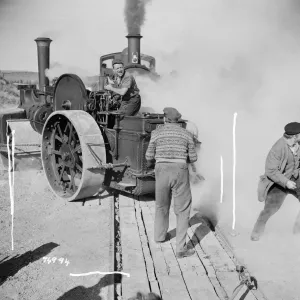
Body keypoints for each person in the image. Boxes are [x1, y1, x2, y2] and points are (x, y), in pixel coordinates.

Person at [145, 107, 198, 258]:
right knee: (182, 210)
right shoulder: (186, 134)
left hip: (161, 170)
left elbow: (148, 155)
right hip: (180, 171)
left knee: (161, 205)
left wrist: (153, 165)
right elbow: (193, 158)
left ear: (164, 119)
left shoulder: (156, 133)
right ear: (178, 120)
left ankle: (159, 237)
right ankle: (181, 249)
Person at [251, 122, 300, 241]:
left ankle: (297, 232)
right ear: (295, 136)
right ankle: (256, 232)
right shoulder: (278, 148)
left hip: (296, 178)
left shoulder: (298, 144)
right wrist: (286, 182)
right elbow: (271, 171)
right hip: (278, 182)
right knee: (270, 209)